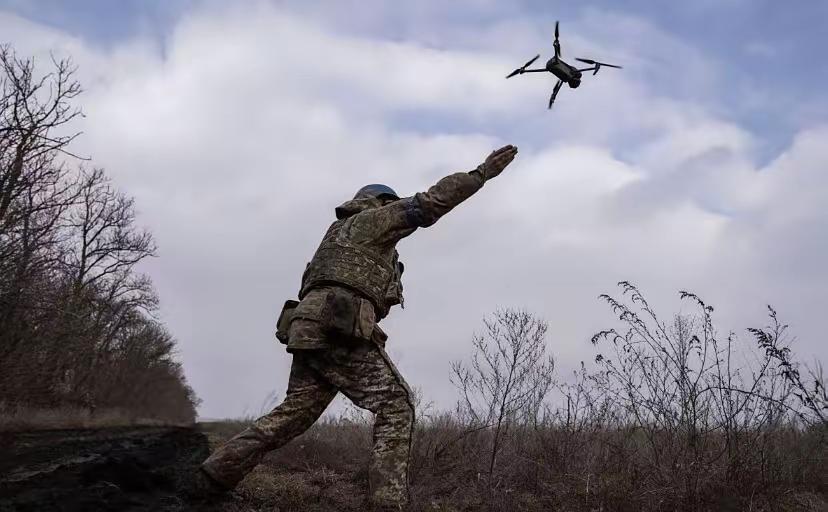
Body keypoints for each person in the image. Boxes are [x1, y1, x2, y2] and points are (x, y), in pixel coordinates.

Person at [198, 144, 519, 509]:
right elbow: (429, 204)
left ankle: (213, 474)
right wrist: (481, 174)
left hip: (309, 329)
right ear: (380, 203)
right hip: (337, 326)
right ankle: (387, 504)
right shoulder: (368, 221)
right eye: (391, 206)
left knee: (290, 418)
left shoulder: (335, 237)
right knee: (396, 404)